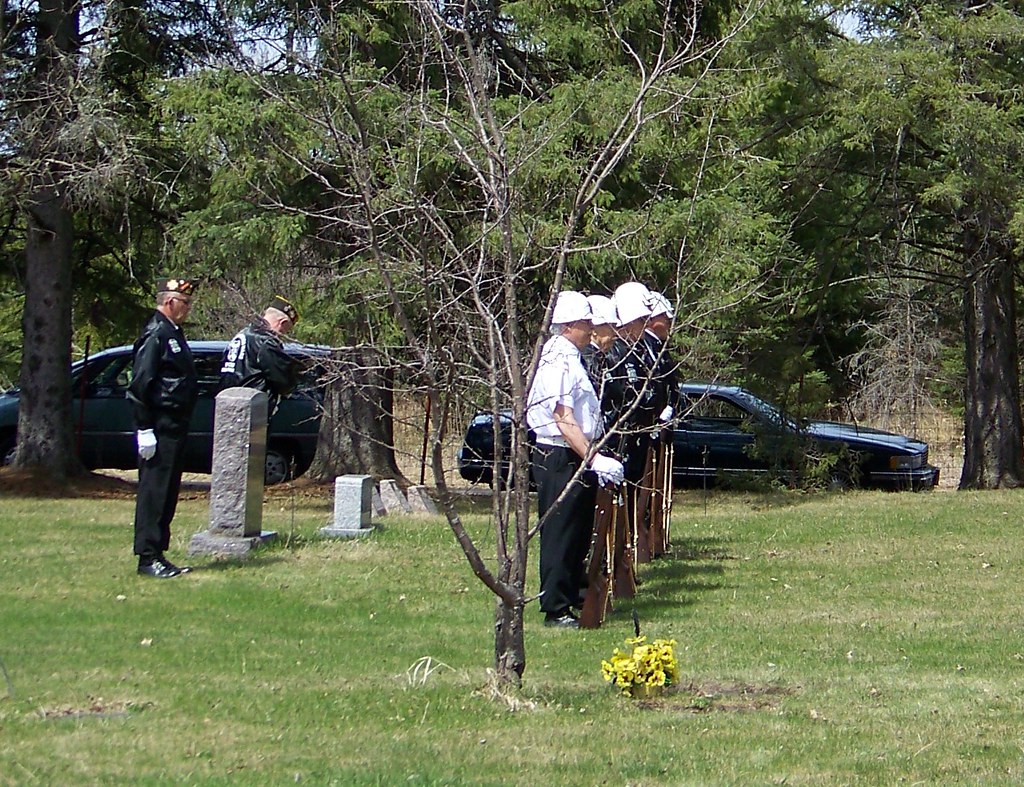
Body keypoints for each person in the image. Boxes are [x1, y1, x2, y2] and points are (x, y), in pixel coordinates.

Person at [527, 291, 624, 628]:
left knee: (578, 530)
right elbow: (563, 417)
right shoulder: (557, 359)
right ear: (569, 326)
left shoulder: (571, 356)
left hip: (575, 453)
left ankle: (571, 594)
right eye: (585, 324)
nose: (589, 330)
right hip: (559, 453)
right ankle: (555, 606)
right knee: (561, 531)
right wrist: (593, 459)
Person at [127, 276, 200, 579]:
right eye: (185, 303)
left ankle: (158, 552)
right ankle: (147, 556)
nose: (188, 309)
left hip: (174, 426)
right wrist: (144, 428)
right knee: (154, 493)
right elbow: (140, 385)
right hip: (159, 425)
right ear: (170, 302)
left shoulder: (173, 333)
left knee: (168, 492)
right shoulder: (156, 334)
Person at [219, 296, 301, 415]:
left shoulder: (241, 335)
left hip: (227, 405)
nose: (281, 336)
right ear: (281, 323)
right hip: (252, 408)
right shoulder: (265, 342)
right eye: (284, 331)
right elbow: (283, 380)